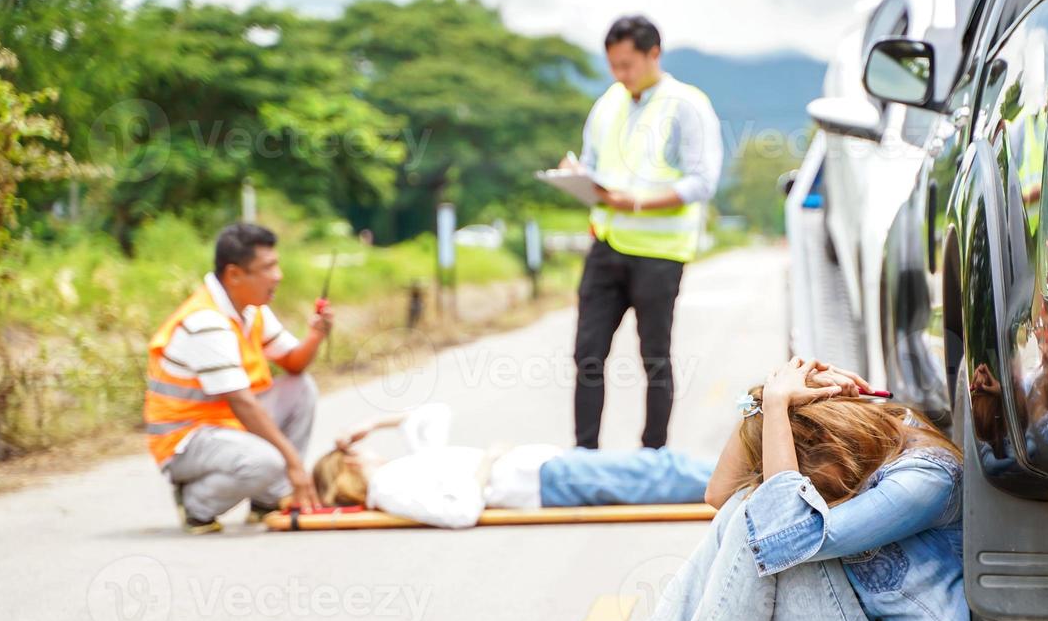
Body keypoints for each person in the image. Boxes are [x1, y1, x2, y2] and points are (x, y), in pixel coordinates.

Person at [563, 357, 985, 621]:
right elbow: (719, 492)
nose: (810, 483)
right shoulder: (870, 443)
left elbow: (781, 526)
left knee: (773, 524)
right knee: (745, 507)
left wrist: (781, 415)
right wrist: (766, 399)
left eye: (810, 473)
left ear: (838, 442)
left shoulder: (927, 477)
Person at [565, 15, 723, 451]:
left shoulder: (686, 105)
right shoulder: (607, 104)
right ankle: (585, 452)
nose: (620, 75)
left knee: (654, 357)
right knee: (587, 354)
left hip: (659, 253)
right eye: (613, 65)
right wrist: (578, 177)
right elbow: (595, 164)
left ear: (654, 54)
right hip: (607, 244)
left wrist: (635, 202)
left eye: (627, 64)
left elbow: (701, 181)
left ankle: (653, 452)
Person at [144, 222, 333, 534]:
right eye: (268, 267)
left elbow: (294, 365)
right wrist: (294, 465)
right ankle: (196, 503)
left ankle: (266, 500)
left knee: (301, 389)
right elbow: (243, 403)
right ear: (234, 275)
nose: (278, 276)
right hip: (186, 441)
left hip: (227, 428)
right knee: (270, 461)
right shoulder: (206, 321)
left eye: (277, 264)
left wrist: (315, 334)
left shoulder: (249, 309)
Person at [311, 402, 716, 529]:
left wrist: (371, 423)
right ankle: (762, 470)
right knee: (662, 472)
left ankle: (758, 468)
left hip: (545, 468)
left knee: (660, 470)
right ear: (349, 462)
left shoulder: (399, 471)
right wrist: (487, 462)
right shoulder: (389, 488)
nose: (370, 448)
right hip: (544, 480)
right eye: (361, 447)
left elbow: (433, 414)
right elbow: (459, 512)